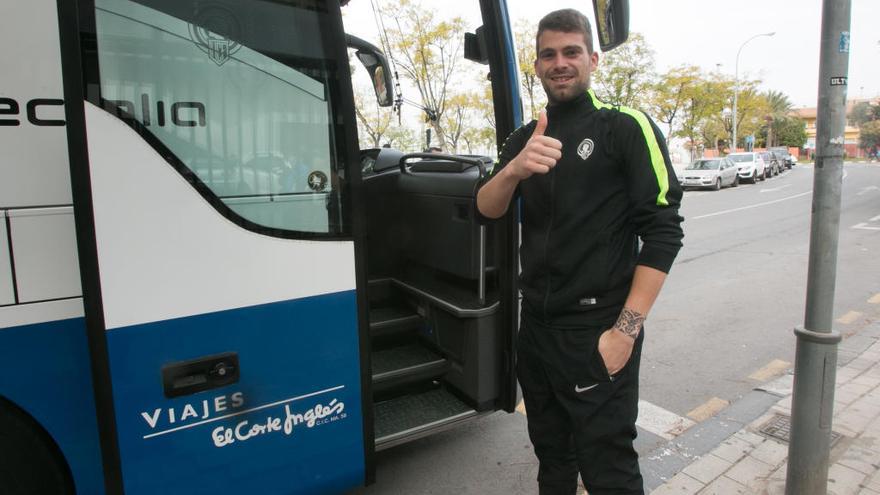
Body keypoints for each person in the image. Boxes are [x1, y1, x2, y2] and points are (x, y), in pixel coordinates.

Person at [476, 9, 684, 495]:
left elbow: (663, 232)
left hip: (597, 332)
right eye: (548, 54)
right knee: (553, 461)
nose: (560, 63)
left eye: (571, 52)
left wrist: (625, 333)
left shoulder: (625, 127)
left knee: (609, 471)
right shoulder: (527, 136)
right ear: (537, 65)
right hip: (537, 334)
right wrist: (514, 170)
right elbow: (486, 208)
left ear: (592, 59)